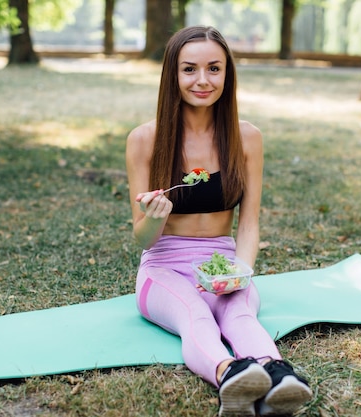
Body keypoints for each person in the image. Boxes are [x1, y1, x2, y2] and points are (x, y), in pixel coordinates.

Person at [125, 26, 312, 417]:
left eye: (214, 68)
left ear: (227, 74)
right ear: (172, 75)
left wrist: (240, 271)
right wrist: (154, 219)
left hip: (224, 264)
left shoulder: (247, 138)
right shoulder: (144, 140)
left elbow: (249, 223)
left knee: (239, 313)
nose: (203, 80)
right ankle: (231, 376)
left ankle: (278, 377)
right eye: (189, 69)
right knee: (194, 313)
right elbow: (142, 239)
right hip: (163, 269)